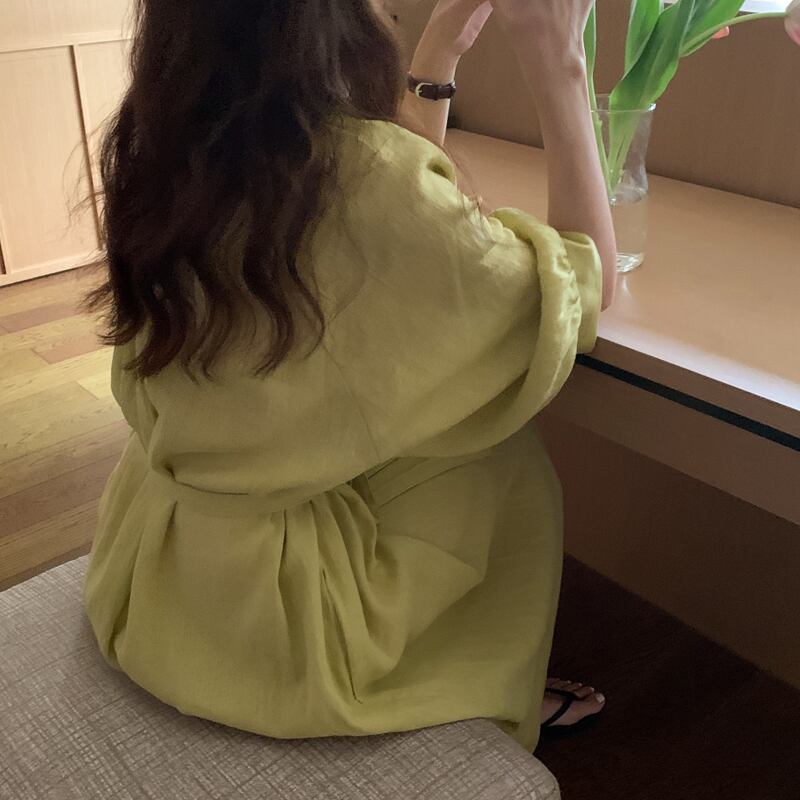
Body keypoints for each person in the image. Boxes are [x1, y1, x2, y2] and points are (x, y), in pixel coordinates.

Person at [82, 0, 616, 755]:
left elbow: (401, 224)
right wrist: (561, 67)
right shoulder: (360, 172)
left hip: (158, 566)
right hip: (288, 634)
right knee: (502, 458)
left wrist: (437, 58)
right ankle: (477, 674)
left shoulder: (166, 146)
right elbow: (579, 286)